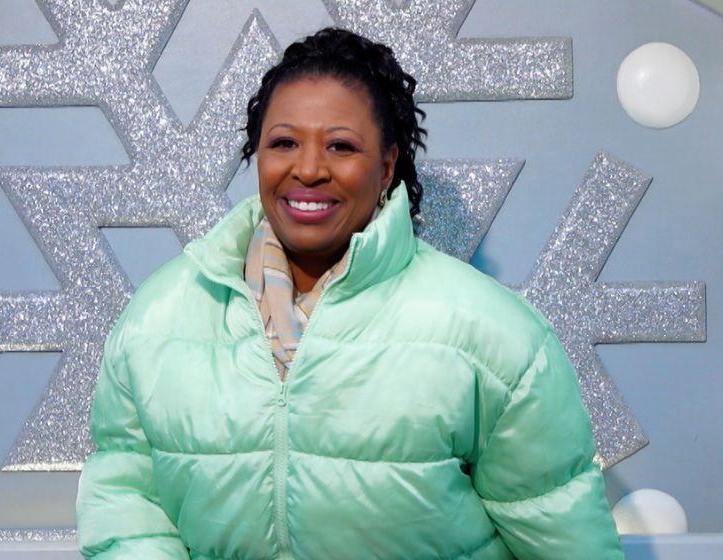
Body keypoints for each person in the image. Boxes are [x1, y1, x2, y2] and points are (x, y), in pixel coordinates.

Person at [75, 27, 624, 559]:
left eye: (341, 146)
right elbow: (127, 497)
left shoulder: (492, 333)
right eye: (283, 142)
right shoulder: (161, 314)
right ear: (257, 157)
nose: (308, 169)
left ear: (387, 166)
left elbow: (563, 537)